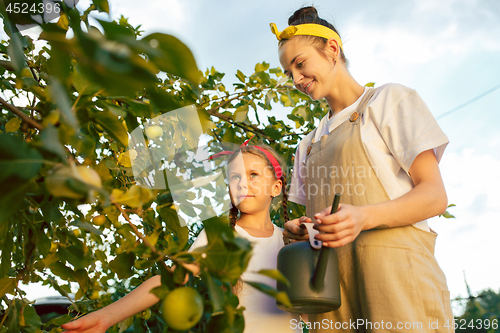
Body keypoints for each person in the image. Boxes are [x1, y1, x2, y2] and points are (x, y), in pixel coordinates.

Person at [271, 6, 455, 333]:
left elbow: (434, 196)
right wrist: (301, 230)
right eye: (289, 73)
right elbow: (323, 224)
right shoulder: (308, 145)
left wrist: (363, 217)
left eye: (300, 65)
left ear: (332, 50)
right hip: (332, 300)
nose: (297, 79)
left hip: (397, 284)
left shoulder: (388, 101)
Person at [62, 143, 300, 333]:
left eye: (253, 174)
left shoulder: (289, 241)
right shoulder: (223, 236)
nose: (242, 183)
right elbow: (169, 280)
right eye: (235, 177)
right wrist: (107, 316)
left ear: (276, 188)